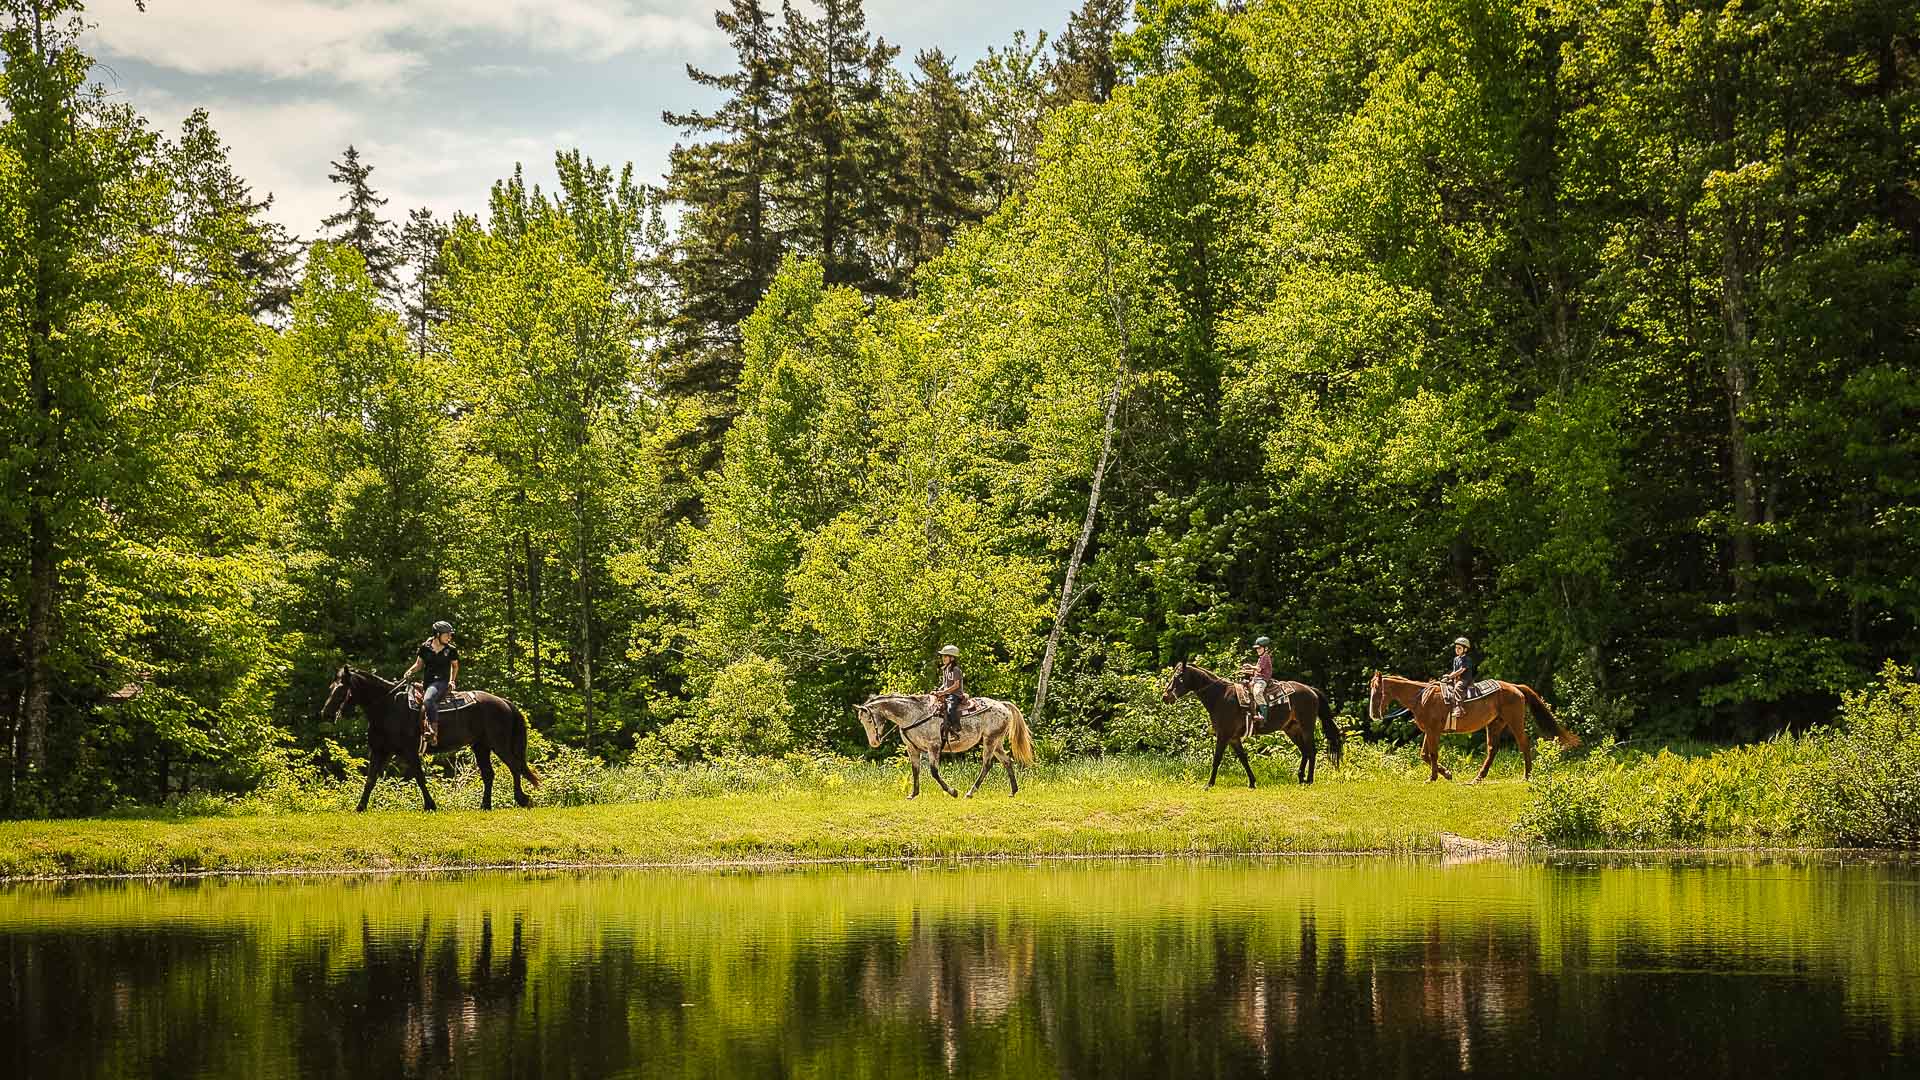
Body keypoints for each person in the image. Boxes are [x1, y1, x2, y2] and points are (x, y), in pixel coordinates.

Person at [401, 620, 460, 745]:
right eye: (447, 634)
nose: (450, 637)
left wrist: (452, 681)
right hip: (427, 683)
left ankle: (433, 732)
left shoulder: (451, 650)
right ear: (438, 635)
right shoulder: (425, 648)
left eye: (450, 634)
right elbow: (418, 664)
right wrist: (409, 672)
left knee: (428, 700)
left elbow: (455, 666)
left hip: (441, 683)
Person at [930, 644, 968, 751]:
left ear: (952, 658)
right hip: (947, 693)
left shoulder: (956, 670)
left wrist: (943, 692)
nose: (943, 658)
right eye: (943, 656)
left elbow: (956, 685)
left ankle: (955, 728)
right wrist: (938, 691)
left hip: (956, 694)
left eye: (945, 656)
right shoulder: (945, 669)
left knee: (951, 708)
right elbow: (945, 684)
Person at [1239, 636, 1274, 739]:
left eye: (1260, 648)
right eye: (1257, 648)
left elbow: (1259, 669)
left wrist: (1250, 666)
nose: (1258, 650)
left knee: (1257, 692)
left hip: (1262, 680)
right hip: (1256, 679)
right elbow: (1256, 671)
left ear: (1265, 648)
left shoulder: (1265, 657)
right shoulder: (1260, 658)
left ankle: (1263, 715)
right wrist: (1245, 671)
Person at [1442, 636, 1474, 726]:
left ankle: (1459, 708)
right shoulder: (1456, 659)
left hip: (1465, 679)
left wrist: (1450, 676)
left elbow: (1461, 670)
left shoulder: (1467, 659)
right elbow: (1455, 670)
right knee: (1445, 686)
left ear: (1465, 649)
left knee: (1457, 688)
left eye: (1459, 648)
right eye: (1456, 648)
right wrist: (1448, 676)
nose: (1457, 650)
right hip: (1456, 678)